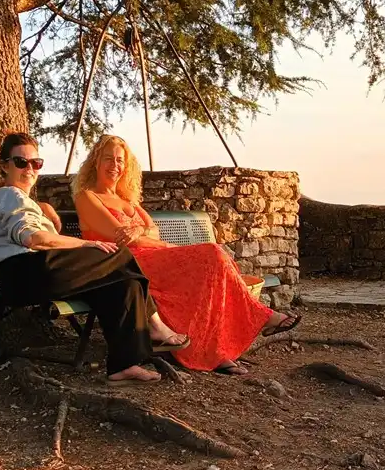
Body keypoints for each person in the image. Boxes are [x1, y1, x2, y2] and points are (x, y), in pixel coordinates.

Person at [73, 135, 301, 374]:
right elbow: (122, 237)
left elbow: (152, 230)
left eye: (120, 160)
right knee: (213, 254)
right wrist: (161, 243)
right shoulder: (87, 197)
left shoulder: (127, 200)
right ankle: (260, 317)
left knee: (211, 273)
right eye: (108, 159)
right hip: (125, 263)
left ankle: (216, 351)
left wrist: (141, 230)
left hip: (152, 258)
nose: (115, 165)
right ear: (95, 162)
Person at [0, 133, 190, 384]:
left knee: (124, 284)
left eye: (36, 163)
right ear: (5, 166)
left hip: (36, 273)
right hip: (20, 274)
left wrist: (44, 209)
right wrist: (87, 243)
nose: (30, 169)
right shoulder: (7, 195)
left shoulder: (22, 200)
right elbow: (33, 238)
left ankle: (124, 365)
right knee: (117, 253)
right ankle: (155, 324)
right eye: (21, 162)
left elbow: (32, 229)